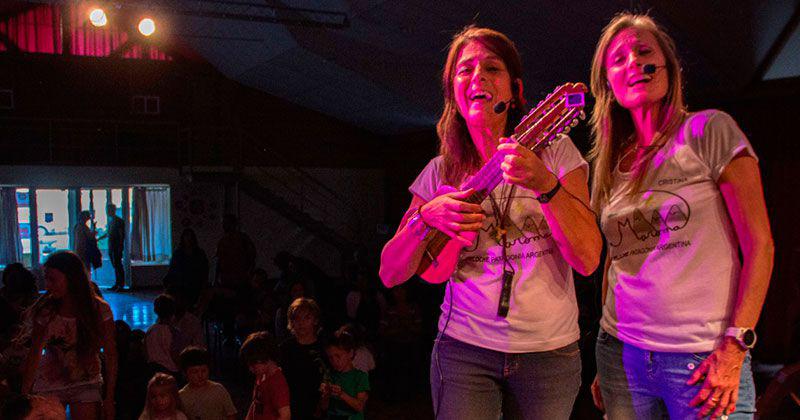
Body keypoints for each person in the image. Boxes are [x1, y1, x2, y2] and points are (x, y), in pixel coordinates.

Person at [378, 26, 601, 419]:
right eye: (465, 70)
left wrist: (545, 184)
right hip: (464, 349)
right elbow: (391, 272)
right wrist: (425, 216)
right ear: (453, 93)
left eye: (491, 68)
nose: (477, 77)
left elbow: (587, 259)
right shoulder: (439, 170)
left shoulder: (556, 153)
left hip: (548, 352)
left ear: (514, 91)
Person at [587, 13, 774, 420]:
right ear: (608, 86)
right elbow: (614, 260)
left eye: (643, 51)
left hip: (702, 359)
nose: (633, 63)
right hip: (621, 354)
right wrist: (607, 359)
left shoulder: (709, 130)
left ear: (668, 67)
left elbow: (760, 245)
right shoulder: (608, 164)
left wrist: (734, 346)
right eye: (618, 59)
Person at [20, 250, 117, 420]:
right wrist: (24, 394)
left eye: (53, 279)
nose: (48, 285)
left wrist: (109, 397)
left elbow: (111, 355)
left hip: (86, 380)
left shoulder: (99, 310)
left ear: (72, 279)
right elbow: (34, 354)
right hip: (51, 380)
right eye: (46, 279)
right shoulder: (47, 312)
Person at [278, 298, 328, 420]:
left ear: (315, 321)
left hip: (317, 408)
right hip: (291, 407)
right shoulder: (285, 348)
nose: (301, 323)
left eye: (306, 318)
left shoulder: (324, 348)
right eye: (296, 318)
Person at [240, 332, 291, 420]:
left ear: (266, 358)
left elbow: (285, 416)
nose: (250, 369)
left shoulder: (277, 383)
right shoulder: (261, 376)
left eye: (253, 365)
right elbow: (255, 403)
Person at [320, 331, 370, 420]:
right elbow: (324, 407)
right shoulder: (330, 375)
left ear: (350, 353)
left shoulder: (360, 376)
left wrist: (341, 394)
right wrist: (326, 395)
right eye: (331, 357)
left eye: (338, 356)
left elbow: (360, 406)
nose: (334, 361)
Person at [177, 346, 237, 420]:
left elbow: (231, 413)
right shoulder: (182, 395)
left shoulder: (218, 389)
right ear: (185, 373)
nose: (200, 375)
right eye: (195, 372)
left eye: (204, 371)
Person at [164, 229, 209, 308]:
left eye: (190, 236)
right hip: (180, 283)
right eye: (186, 236)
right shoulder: (178, 253)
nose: (188, 239)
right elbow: (172, 268)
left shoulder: (199, 253)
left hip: (195, 283)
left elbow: (204, 269)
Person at [145, 294, 183, 375]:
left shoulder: (150, 330)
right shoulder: (174, 332)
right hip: (170, 370)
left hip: (152, 370)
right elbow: (175, 354)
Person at [100, 204, 126, 291]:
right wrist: (99, 238)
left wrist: (120, 247)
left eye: (108, 210)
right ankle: (117, 283)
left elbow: (121, 235)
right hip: (111, 247)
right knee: (116, 265)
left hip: (116, 247)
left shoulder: (119, 221)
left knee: (118, 265)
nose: (107, 212)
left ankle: (121, 285)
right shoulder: (111, 221)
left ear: (113, 210)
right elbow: (108, 233)